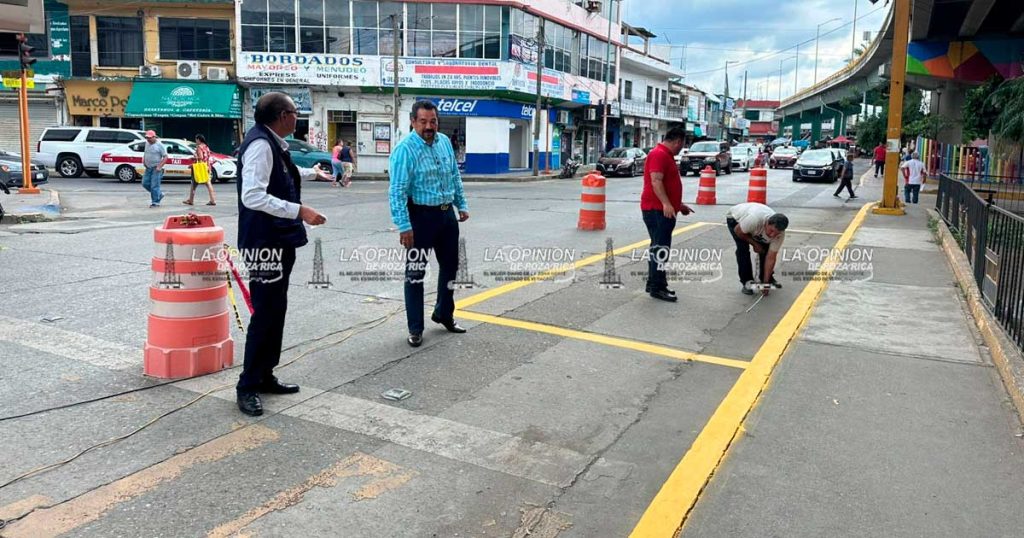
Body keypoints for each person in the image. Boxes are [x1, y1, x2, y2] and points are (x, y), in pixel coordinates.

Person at [235, 92, 333, 417]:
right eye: (294, 111)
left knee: (276, 309)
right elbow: (252, 195)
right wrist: (299, 210)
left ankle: (265, 374)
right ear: (281, 115)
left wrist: (312, 175)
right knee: (265, 313)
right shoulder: (261, 145)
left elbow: (281, 176)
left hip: (278, 240)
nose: (297, 116)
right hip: (264, 243)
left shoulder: (274, 143)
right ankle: (247, 385)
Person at [389, 100, 469, 348]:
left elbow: (454, 175)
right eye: (423, 121)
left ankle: (444, 313)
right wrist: (404, 226)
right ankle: (415, 328)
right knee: (415, 274)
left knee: (451, 269)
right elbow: (397, 191)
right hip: (419, 219)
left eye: (432, 121)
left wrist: (461, 204)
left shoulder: (444, 142)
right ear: (413, 122)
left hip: (446, 217)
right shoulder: (405, 150)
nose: (428, 126)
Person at [640, 127, 694, 302]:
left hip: (662, 208)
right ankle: (658, 287)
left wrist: (678, 205)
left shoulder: (665, 155)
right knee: (661, 249)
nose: (681, 148)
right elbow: (656, 181)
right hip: (657, 209)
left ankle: (653, 283)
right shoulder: (659, 154)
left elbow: (668, 184)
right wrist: (666, 204)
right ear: (678, 141)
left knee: (658, 247)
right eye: (682, 144)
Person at [725, 203, 788, 296]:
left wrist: (765, 283)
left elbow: (771, 257)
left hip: (753, 223)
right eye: (771, 231)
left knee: (765, 250)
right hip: (736, 220)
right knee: (743, 249)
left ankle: (766, 278)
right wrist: (754, 244)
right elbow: (738, 231)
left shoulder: (780, 235)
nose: (772, 235)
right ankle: (747, 282)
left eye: (776, 233)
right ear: (767, 223)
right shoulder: (754, 220)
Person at [184, 134, 216, 206]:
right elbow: (207, 157)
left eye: (196, 139)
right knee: (208, 183)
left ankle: (191, 200)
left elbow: (201, 157)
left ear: (198, 139)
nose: (196, 141)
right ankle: (212, 199)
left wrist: (193, 159)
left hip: (199, 168)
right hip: (206, 166)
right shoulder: (206, 147)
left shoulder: (199, 147)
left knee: (194, 184)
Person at [141, 130, 167, 208]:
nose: (148, 139)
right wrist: (144, 161)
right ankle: (159, 194)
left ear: (154, 137)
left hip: (156, 168)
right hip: (148, 167)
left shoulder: (159, 145)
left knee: (154, 185)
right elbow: (146, 153)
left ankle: (155, 202)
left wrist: (159, 166)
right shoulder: (147, 143)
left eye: (149, 138)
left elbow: (165, 156)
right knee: (145, 183)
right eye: (147, 138)